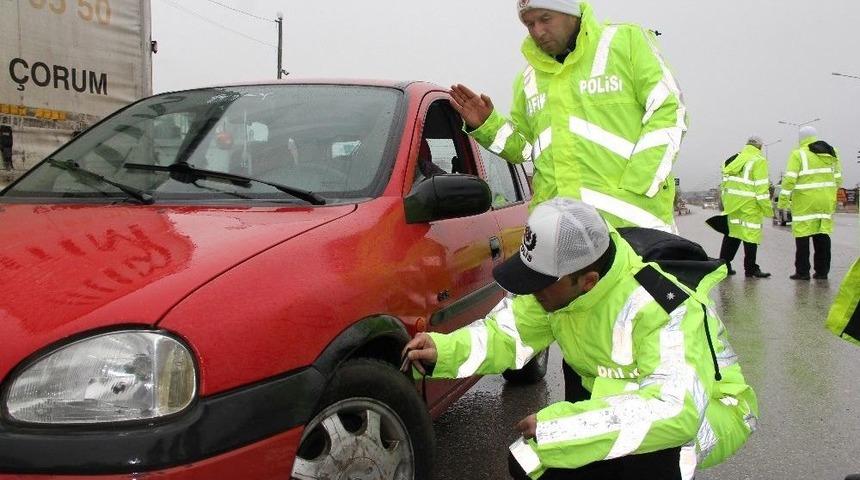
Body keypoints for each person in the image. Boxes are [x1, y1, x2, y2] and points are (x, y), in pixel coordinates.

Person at [403, 197, 757, 479]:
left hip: (705, 412)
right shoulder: (556, 291)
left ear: (586, 280)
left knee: (645, 462)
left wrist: (561, 427)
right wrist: (443, 351)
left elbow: (674, 411)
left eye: (540, 282)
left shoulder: (663, 308)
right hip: (625, 399)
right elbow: (505, 334)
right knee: (530, 463)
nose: (531, 291)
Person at [449, 0, 686, 233]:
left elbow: (669, 110)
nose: (538, 32)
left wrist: (640, 182)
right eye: (529, 24)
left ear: (571, 12)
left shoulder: (626, 43)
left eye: (545, 19)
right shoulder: (528, 80)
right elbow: (524, 149)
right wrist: (488, 124)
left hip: (633, 225)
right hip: (562, 232)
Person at [777, 126, 843, 280]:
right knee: (822, 235)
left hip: (805, 202)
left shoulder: (798, 154)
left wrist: (783, 201)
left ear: (801, 138)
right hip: (825, 201)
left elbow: (789, 180)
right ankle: (822, 272)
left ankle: (802, 272)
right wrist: (828, 193)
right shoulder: (831, 153)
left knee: (803, 236)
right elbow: (838, 178)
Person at [717, 136, 773, 278]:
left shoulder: (731, 160)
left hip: (732, 205)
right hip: (750, 205)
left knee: (732, 234)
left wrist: (726, 203)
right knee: (750, 236)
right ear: (759, 147)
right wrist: (768, 209)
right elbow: (761, 189)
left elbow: (723, 185)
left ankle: (724, 266)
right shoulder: (759, 161)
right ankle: (751, 269)